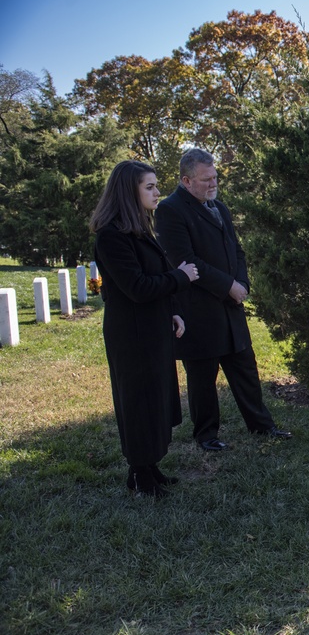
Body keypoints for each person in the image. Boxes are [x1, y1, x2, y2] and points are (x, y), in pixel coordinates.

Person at [155, 148, 291, 451]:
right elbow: (186, 261)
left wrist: (241, 282)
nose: (213, 183)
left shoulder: (219, 207)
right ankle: (206, 435)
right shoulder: (171, 210)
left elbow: (236, 250)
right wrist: (227, 285)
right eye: (206, 179)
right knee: (203, 377)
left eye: (215, 177)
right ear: (187, 181)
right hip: (198, 308)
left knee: (245, 368)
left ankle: (262, 426)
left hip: (231, 307)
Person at [91, 161, 200, 497]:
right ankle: (139, 475)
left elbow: (155, 277)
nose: (157, 192)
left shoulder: (139, 229)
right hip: (132, 335)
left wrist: (174, 311)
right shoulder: (111, 235)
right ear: (130, 190)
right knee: (138, 402)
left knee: (155, 399)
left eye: (156, 186)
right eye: (149, 187)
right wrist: (182, 277)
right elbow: (137, 287)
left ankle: (150, 466)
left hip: (153, 328)